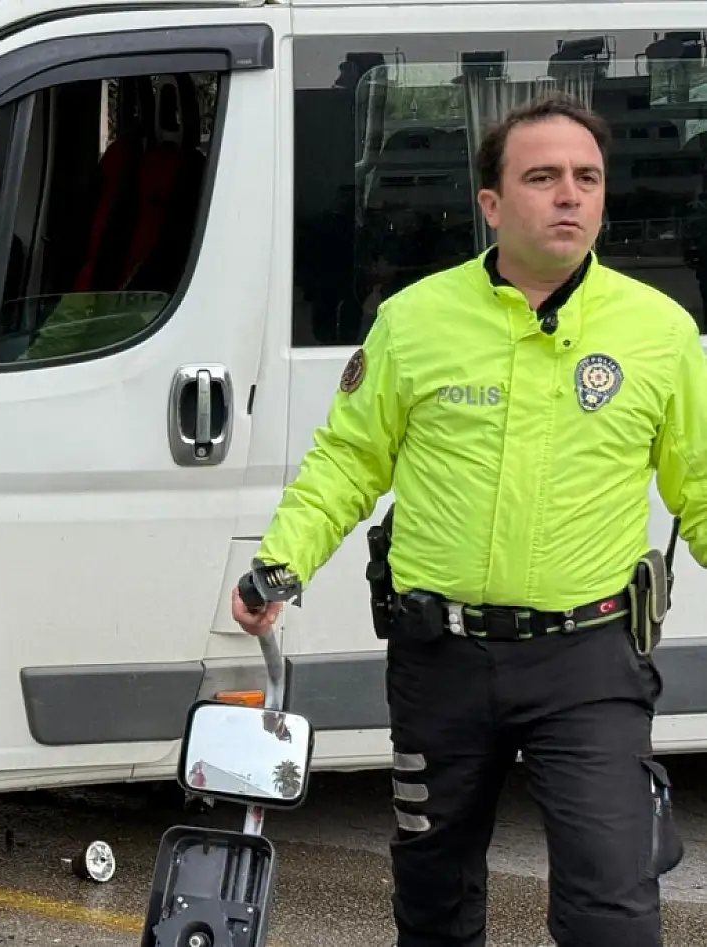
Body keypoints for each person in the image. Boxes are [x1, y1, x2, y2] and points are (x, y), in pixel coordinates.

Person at [230, 92, 700, 947]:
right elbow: (350, 460)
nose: (570, 194)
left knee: (613, 910)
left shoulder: (659, 332)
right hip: (440, 659)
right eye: (543, 177)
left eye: (587, 177)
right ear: (491, 202)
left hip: (589, 661)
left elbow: (701, 483)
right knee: (435, 900)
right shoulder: (415, 322)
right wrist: (282, 562)